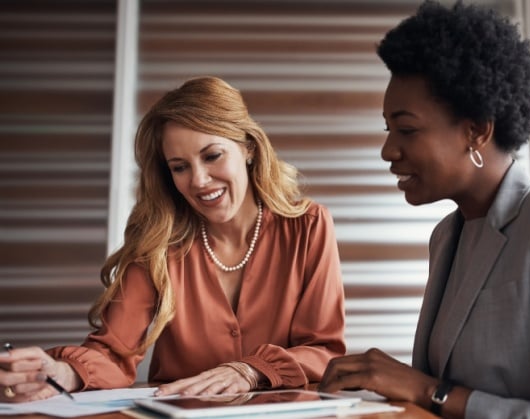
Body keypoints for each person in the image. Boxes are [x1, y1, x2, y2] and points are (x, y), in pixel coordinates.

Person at [318, 2, 530, 418]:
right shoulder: (447, 236)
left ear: (477, 130)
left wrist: (431, 391)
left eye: (407, 129)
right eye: (388, 129)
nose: (388, 150)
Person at [0, 76, 346, 402]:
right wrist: (61, 372)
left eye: (212, 156)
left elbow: (322, 349)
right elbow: (113, 353)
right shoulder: (158, 241)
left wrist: (251, 370)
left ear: (249, 148)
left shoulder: (308, 226)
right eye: (180, 167)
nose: (199, 181)